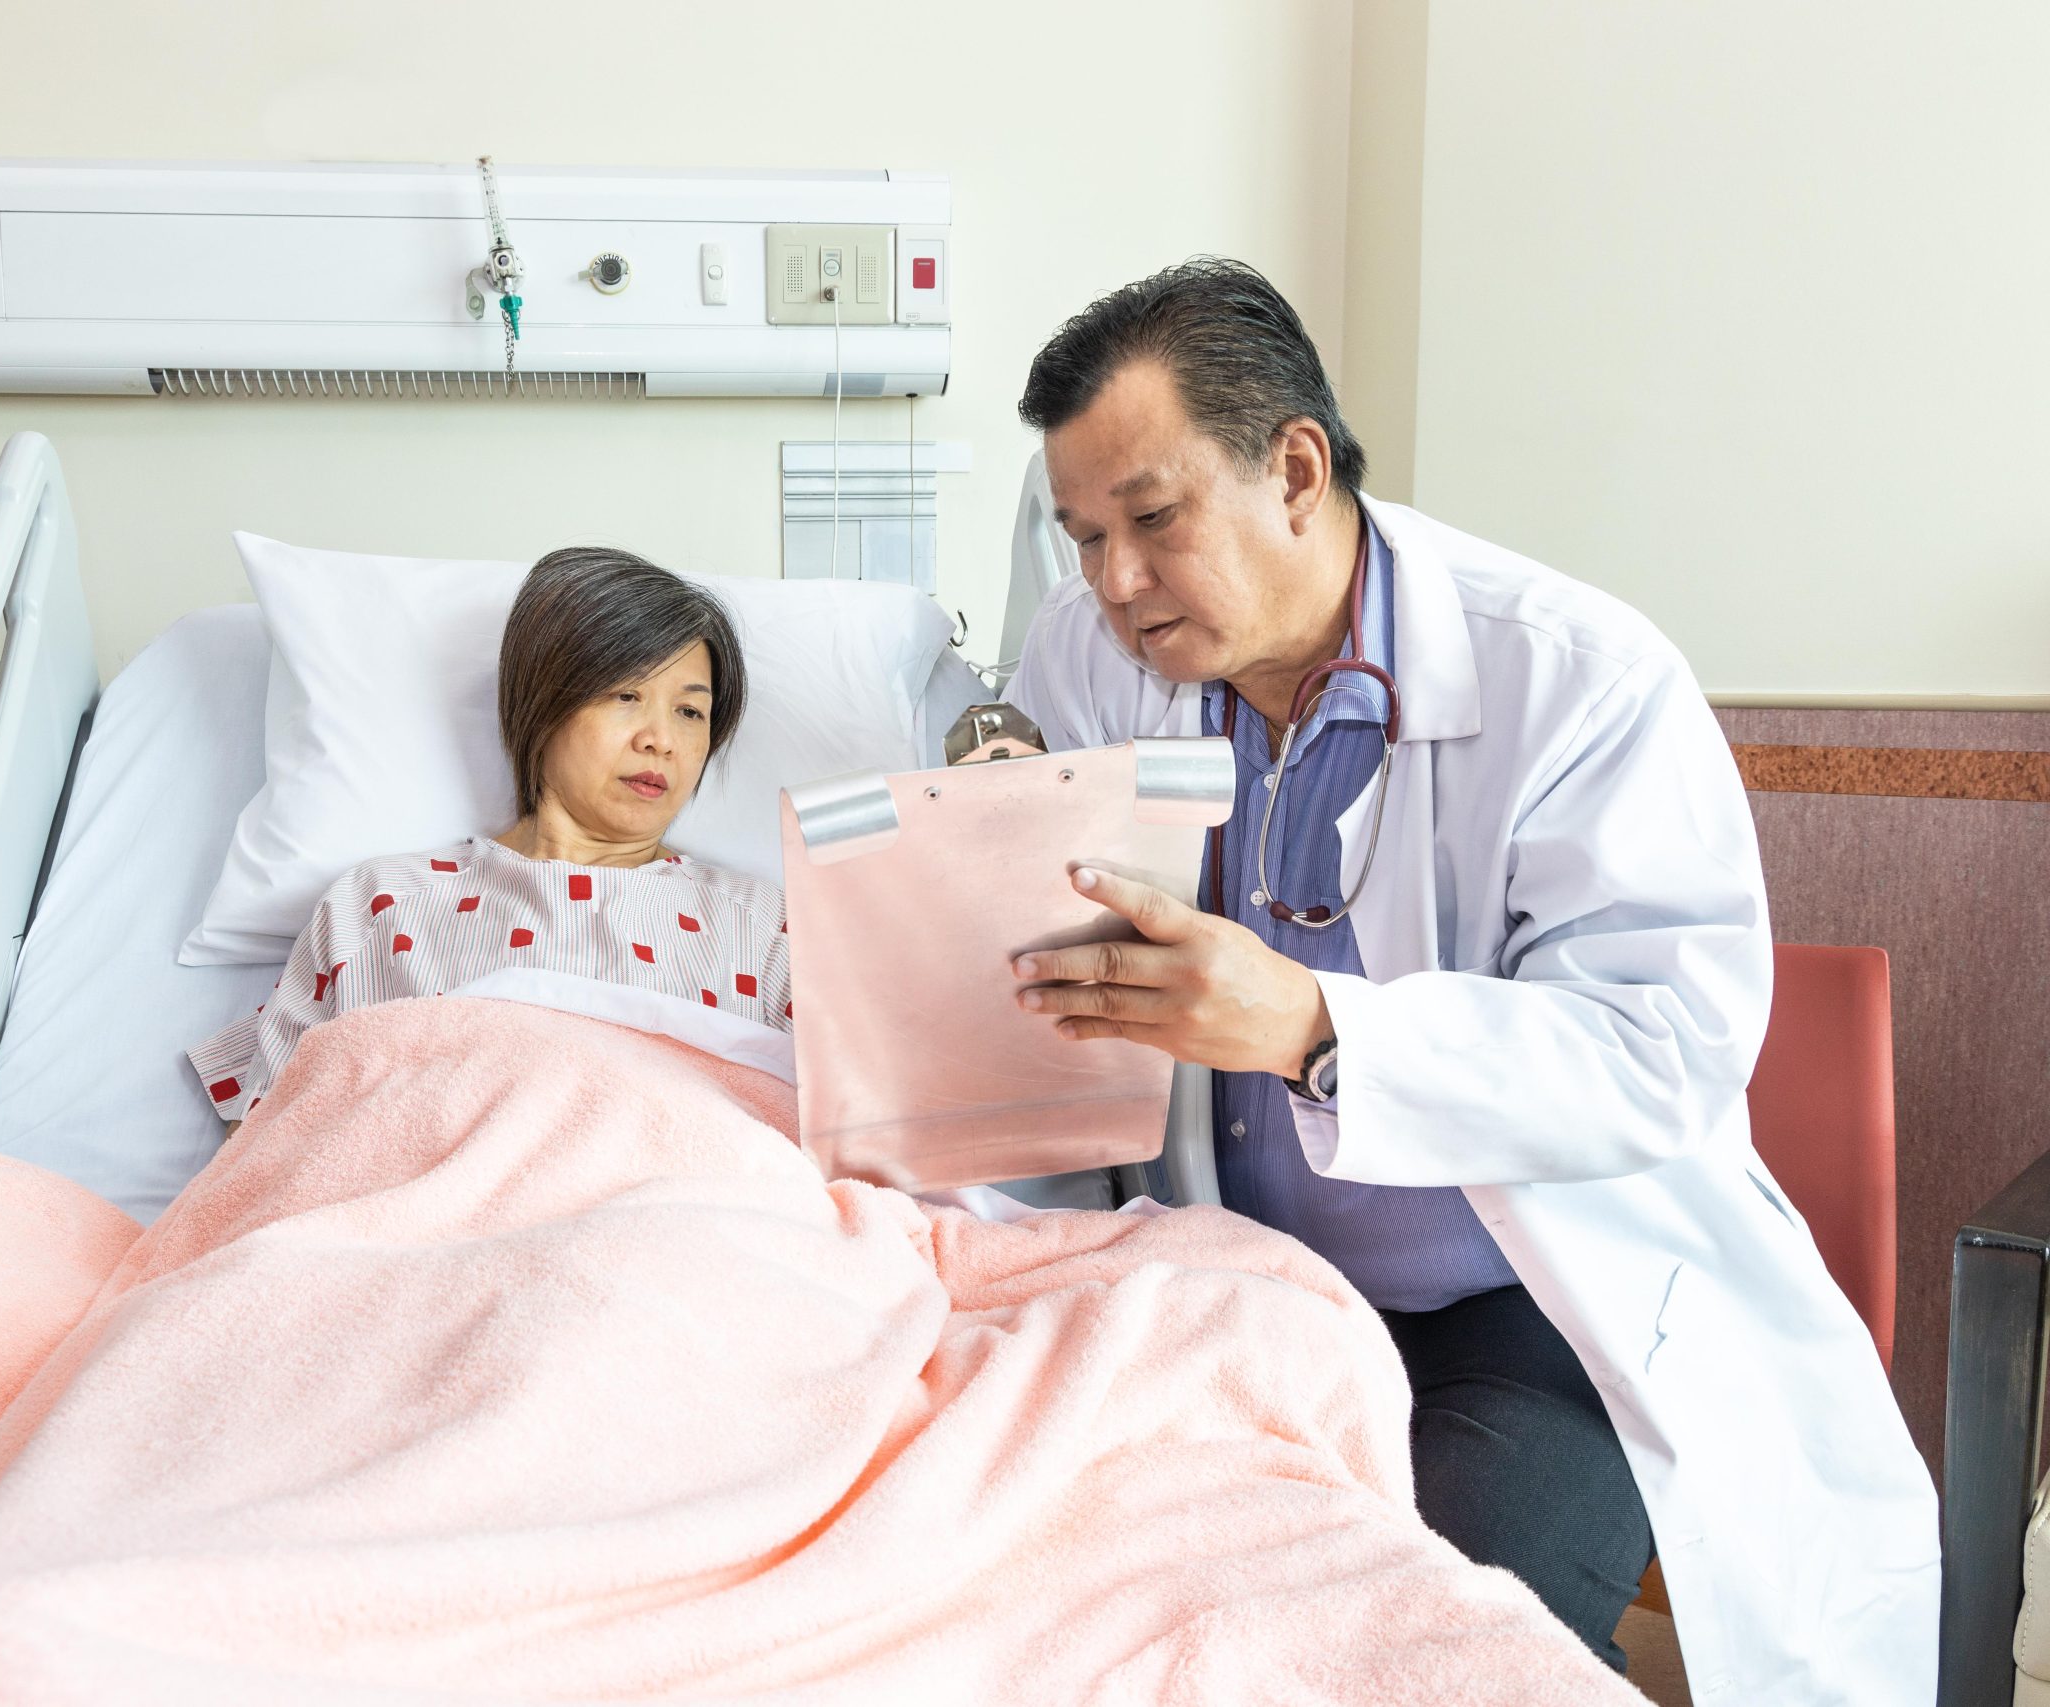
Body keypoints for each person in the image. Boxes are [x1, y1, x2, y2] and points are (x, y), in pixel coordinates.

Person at [1002, 259, 1935, 1704]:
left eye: (1152, 519)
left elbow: (1658, 1047)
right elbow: (1049, 965)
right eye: (1082, 538)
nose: (1116, 583)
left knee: (1417, 1636)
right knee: (1086, 1593)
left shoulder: (1581, 678)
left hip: (1532, 1299)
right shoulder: (1084, 659)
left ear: (1294, 468)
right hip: (1229, 1277)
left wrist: (1315, 1028)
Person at [192, 548, 790, 1125]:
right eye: (626, 695)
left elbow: (843, 1133)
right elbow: (263, 1146)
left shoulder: (761, 925)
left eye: (691, 712)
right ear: (542, 703)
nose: (660, 739)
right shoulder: (379, 905)